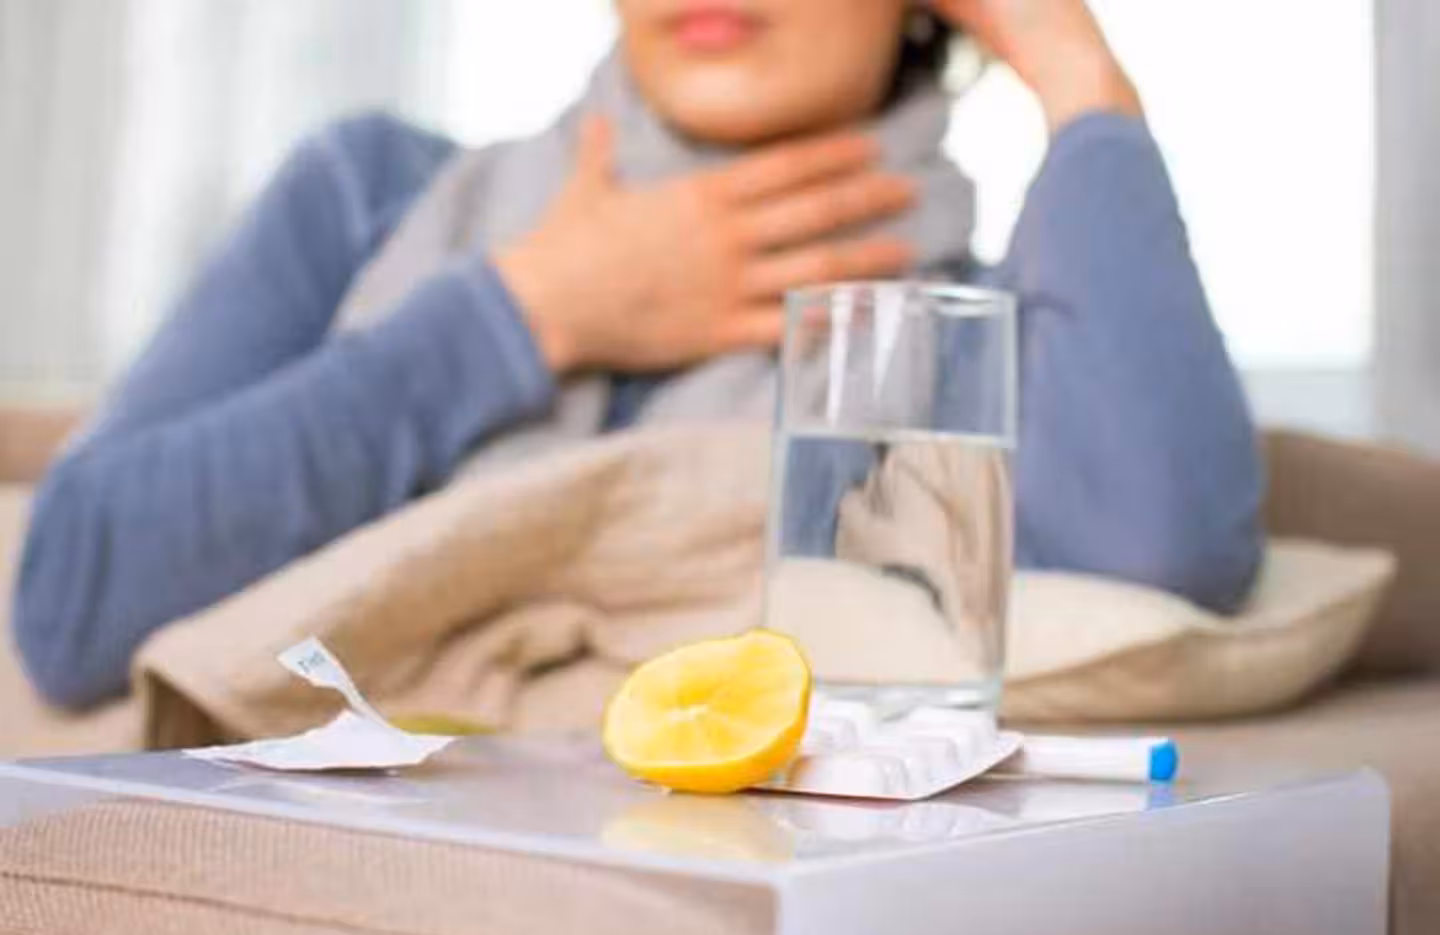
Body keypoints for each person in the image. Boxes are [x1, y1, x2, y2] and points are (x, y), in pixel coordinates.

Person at [13, 0, 1263, 710]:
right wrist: (528, 312)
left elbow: (1166, 547)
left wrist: (1074, 66)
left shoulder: (960, 345)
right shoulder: (372, 197)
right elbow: (73, 599)